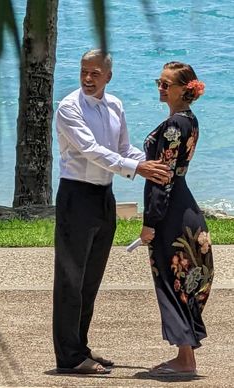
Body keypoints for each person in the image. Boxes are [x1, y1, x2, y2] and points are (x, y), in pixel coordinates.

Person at [53, 49, 171, 375]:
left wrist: (157, 161)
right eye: (83, 72)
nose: (87, 79)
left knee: (90, 281)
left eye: (94, 73)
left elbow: (122, 150)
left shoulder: (115, 105)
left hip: (104, 197)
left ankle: (81, 347)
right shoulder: (69, 107)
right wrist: (138, 168)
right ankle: (69, 358)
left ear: (108, 76)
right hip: (76, 197)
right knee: (70, 282)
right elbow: (92, 151)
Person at [140, 61, 214, 377]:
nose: (160, 87)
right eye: (159, 81)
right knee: (180, 280)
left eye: (166, 84)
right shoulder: (189, 121)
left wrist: (150, 222)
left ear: (183, 90)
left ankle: (185, 360)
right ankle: (185, 357)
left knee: (173, 280)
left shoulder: (173, 126)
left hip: (171, 212)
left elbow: (162, 178)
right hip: (185, 205)